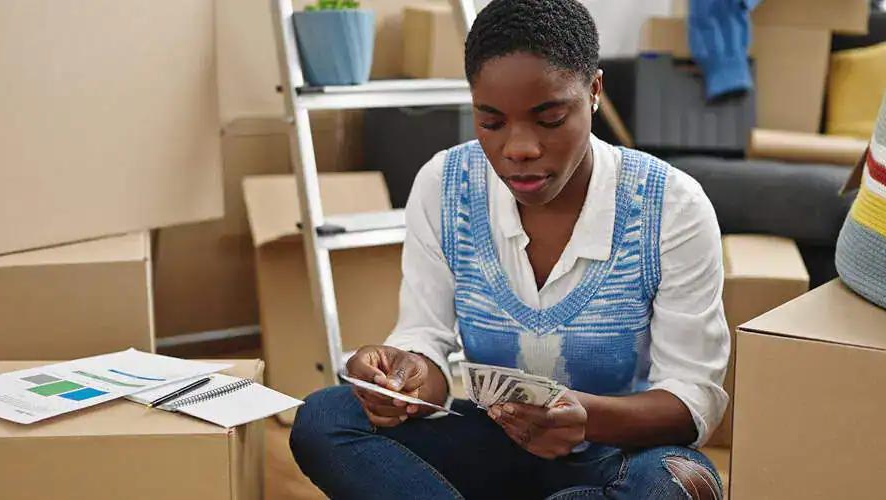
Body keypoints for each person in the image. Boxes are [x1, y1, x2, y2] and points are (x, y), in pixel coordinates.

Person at [290, 0, 729, 498]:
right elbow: (426, 337)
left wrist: (584, 419)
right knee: (327, 416)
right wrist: (404, 379)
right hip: (491, 442)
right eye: (491, 122)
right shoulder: (445, 185)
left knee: (674, 485)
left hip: (617, 458)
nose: (518, 148)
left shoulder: (670, 205)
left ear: (594, 92)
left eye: (549, 118)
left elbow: (692, 402)